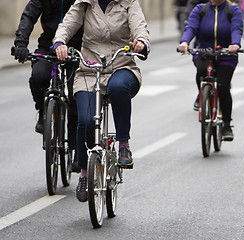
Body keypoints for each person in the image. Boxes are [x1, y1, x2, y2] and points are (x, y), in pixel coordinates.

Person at [53, 0, 150, 202]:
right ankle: (84, 174)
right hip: (89, 71)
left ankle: (123, 143)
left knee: (118, 87)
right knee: (86, 120)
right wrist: (60, 42)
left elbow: (139, 25)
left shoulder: (128, 3)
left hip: (121, 66)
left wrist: (140, 42)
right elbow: (68, 23)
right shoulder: (84, 3)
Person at [13, 0, 83, 173]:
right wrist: (21, 44)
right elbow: (29, 16)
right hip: (49, 45)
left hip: (75, 46)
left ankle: (76, 150)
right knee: (38, 77)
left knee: (76, 95)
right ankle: (43, 112)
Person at [178, 0, 243, 141]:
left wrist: (235, 44)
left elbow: (236, 29)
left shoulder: (233, 10)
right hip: (204, 52)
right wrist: (184, 42)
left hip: (226, 55)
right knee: (201, 71)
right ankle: (202, 94)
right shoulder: (200, 10)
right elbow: (191, 27)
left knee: (223, 86)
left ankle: (226, 124)